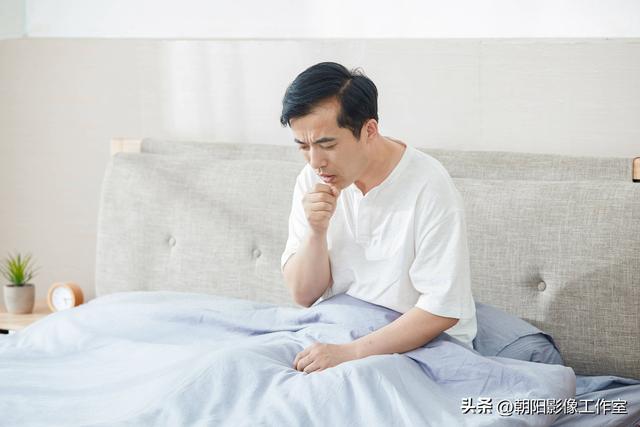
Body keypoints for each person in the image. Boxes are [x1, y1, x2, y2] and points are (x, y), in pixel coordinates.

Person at [279, 62, 477, 374]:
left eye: (327, 144)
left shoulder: (429, 185)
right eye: (303, 146)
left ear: (369, 130)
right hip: (338, 325)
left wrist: (351, 353)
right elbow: (303, 295)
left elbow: (443, 309)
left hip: (418, 342)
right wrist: (316, 232)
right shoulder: (312, 178)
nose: (315, 161)